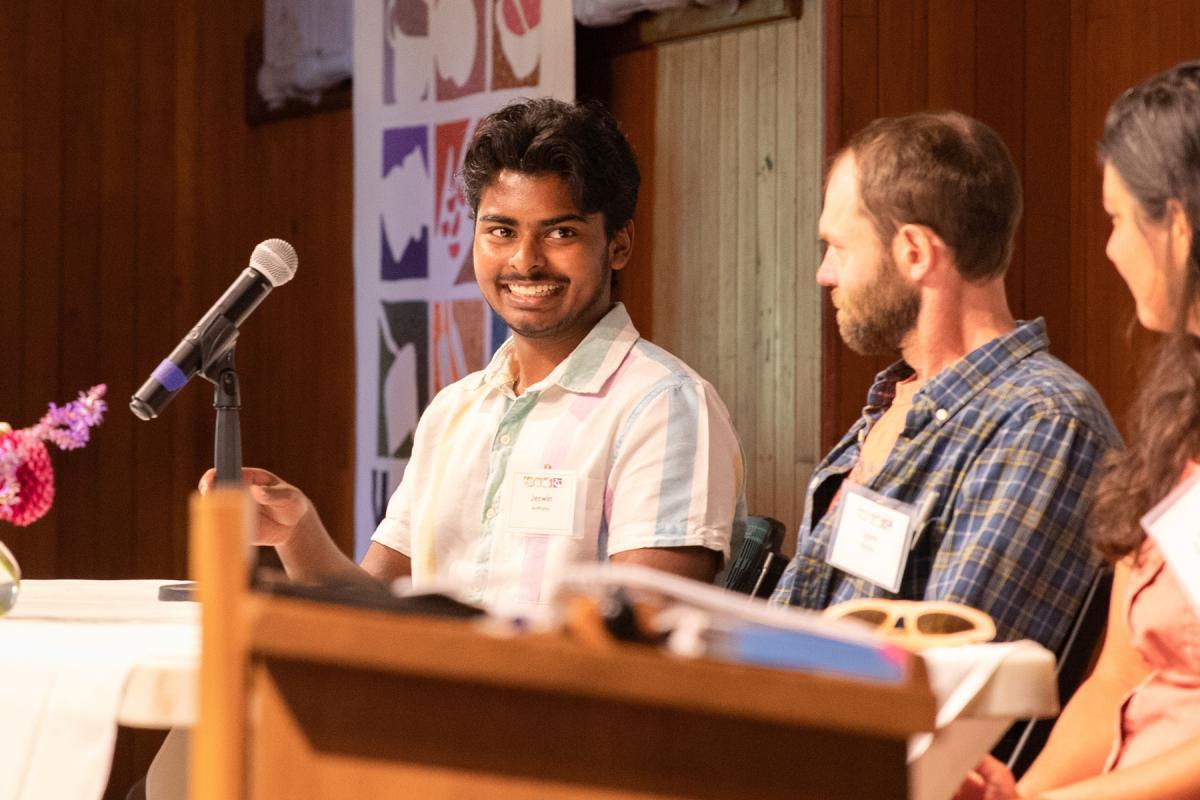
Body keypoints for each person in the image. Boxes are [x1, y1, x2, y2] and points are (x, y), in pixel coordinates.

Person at [202, 98, 745, 607]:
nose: (525, 262)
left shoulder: (665, 406)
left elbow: (644, 640)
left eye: (559, 232)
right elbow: (376, 610)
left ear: (619, 244)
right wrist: (297, 531)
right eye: (501, 231)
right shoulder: (454, 411)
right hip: (435, 704)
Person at [770, 111, 1121, 654]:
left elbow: (953, 679)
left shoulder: (1042, 422)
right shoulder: (893, 403)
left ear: (915, 253)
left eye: (839, 247)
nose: (825, 273)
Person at [957, 60, 1200, 800]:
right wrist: (1022, 795)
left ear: (1182, 230)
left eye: (1119, 220)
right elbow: (1118, 680)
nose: (1109, 249)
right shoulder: (1179, 412)